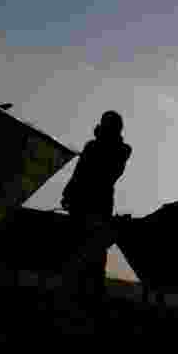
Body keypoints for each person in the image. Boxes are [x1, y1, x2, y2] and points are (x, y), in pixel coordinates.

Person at [60, 110, 132, 304]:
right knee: (87, 247)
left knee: (92, 248)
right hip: (92, 203)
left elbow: (85, 172)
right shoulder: (112, 148)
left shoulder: (113, 149)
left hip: (91, 203)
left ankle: (91, 291)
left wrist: (69, 194)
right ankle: (86, 290)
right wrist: (68, 194)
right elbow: (81, 172)